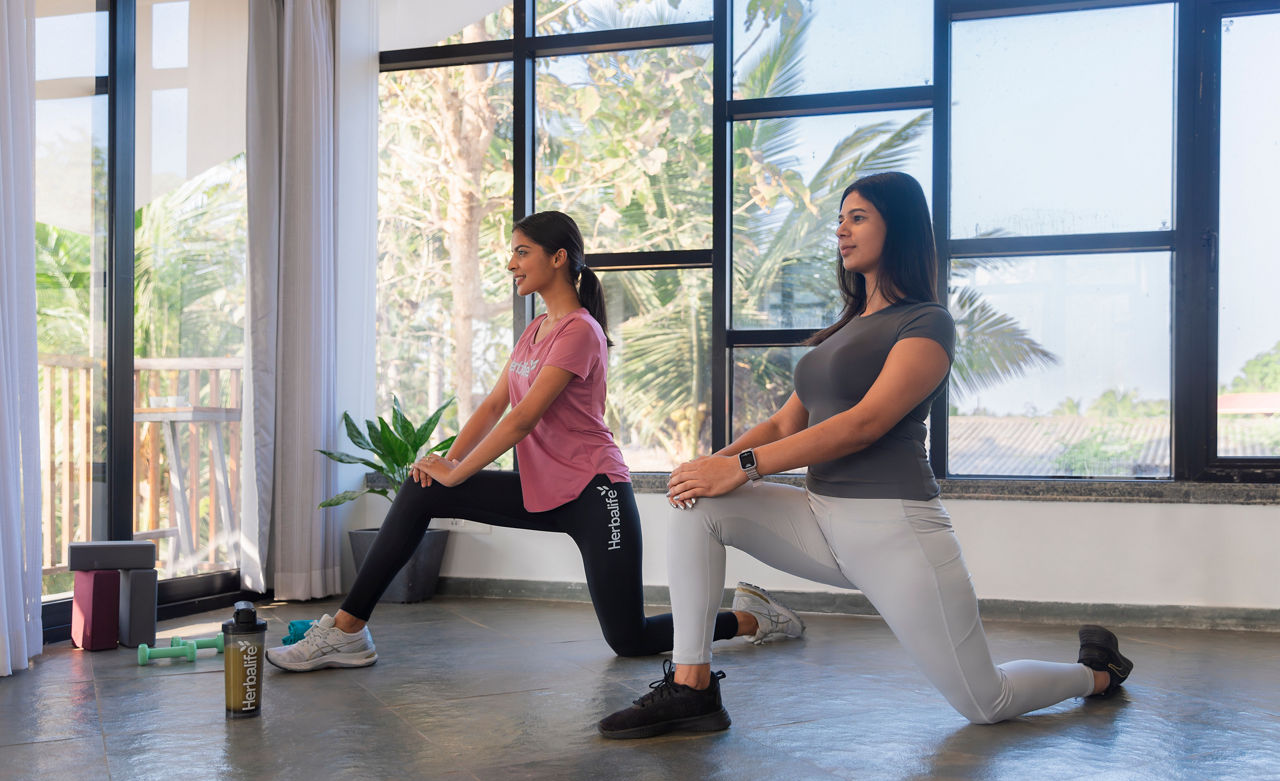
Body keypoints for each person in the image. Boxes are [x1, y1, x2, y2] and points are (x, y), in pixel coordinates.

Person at [596, 172, 1133, 739]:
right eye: (840, 219)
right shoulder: (844, 331)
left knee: (985, 700)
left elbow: (865, 423)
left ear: (895, 227)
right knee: (700, 506)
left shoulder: (927, 322)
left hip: (895, 531)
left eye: (858, 218)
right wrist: (709, 466)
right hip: (820, 516)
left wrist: (743, 468)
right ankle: (693, 688)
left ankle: (1095, 674)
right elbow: (784, 422)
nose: (841, 231)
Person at [267, 210, 804, 672]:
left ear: (559, 258)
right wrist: (446, 462)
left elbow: (523, 418)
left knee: (630, 639)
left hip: (596, 495)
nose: (510, 264)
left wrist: (461, 471)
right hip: (544, 489)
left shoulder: (580, 331)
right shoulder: (535, 330)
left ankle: (755, 616)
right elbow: (493, 407)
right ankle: (348, 631)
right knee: (423, 486)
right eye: (511, 253)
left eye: (522, 252)